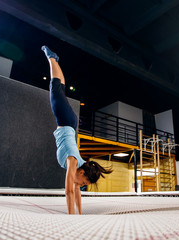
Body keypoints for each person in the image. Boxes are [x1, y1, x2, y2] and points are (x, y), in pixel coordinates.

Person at [41, 45, 113, 215]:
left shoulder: (78, 168)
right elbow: (69, 191)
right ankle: (51, 57)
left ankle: (55, 59)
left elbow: (76, 193)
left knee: (59, 89)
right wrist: (71, 218)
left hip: (69, 122)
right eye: (83, 183)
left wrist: (80, 214)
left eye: (83, 186)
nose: (80, 185)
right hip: (65, 120)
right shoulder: (73, 161)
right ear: (81, 172)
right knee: (54, 88)